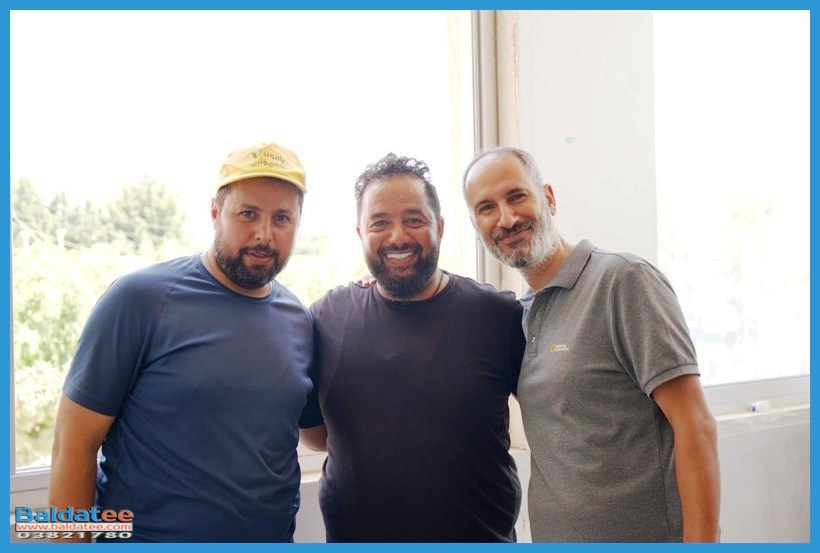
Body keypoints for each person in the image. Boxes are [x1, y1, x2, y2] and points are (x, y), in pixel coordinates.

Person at [49, 141, 321, 542]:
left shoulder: (299, 320)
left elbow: (318, 434)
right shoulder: (140, 299)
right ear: (215, 212)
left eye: (282, 218)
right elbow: (73, 443)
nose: (264, 234)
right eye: (248, 213)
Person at [462, 146, 720, 543]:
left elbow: (695, 425)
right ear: (477, 226)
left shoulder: (623, 280)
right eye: (487, 208)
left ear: (548, 198)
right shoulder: (519, 317)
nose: (507, 219)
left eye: (517, 196)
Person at [299, 153, 525, 542]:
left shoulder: (498, 316)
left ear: (440, 227)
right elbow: (316, 435)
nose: (397, 237)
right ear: (361, 233)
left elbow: (551, 417)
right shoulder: (326, 318)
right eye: (379, 223)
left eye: (414, 220)